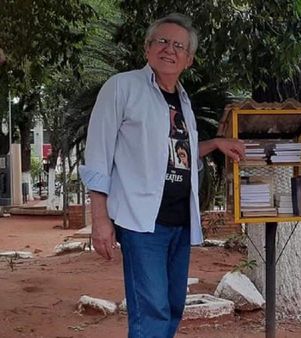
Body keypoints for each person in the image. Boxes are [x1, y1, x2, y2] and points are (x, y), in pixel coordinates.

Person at [79, 13, 245, 338]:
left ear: (189, 59)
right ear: (147, 48)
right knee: (151, 311)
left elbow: (176, 152)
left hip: (180, 220)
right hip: (143, 223)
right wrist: (100, 220)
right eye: (162, 41)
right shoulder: (122, 87)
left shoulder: (183, 100)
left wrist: (213, 144)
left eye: (178, 46)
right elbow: (98, 156)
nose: (169, 49)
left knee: (171, 306)